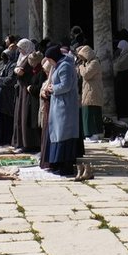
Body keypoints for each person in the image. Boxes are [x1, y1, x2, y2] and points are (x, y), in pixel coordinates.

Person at [44, 46, 82, 177]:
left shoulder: (65, 66)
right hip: (59, 103)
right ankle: (57, 163)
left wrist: (52, 88)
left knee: (63, 134)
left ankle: (65, 166)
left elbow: (65, 86)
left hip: (65, 105)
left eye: (49, 59)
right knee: (58, 133)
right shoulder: (58, 65)